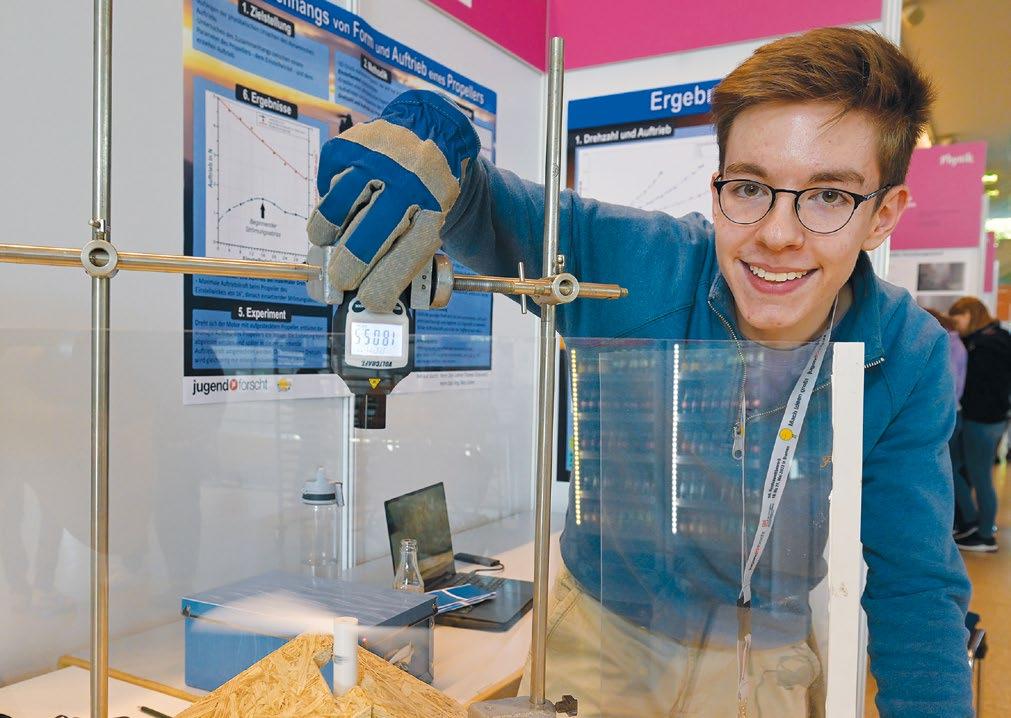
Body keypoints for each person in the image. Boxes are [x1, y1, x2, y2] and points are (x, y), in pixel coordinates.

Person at [307, 27, 971, 717]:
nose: (778, 234)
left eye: (828, 196)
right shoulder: (640, 263)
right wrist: (426, 135)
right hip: (603, 642)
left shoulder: (906, 350)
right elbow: (473, 199)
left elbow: (915, 586)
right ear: (717, 189)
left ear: (882, 216)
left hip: (762, 655)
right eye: (750, 188)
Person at [948, 296, 1011, 553]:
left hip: (980, 420)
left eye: (959, 317)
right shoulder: (1000, 337)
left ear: (970, 314)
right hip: (995, 418)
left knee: (979, 476)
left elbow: (977, 387)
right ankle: (975, 524)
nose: (957, 323)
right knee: (969, 471)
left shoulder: (982, 345)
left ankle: (984, 534)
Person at [924, 307, 972, 535]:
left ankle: (960, 522)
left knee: (946, 474)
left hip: (945, 415)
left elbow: (946, 387)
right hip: (954, 413)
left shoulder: (944, 343)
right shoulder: (955, 343)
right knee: (951, 471)